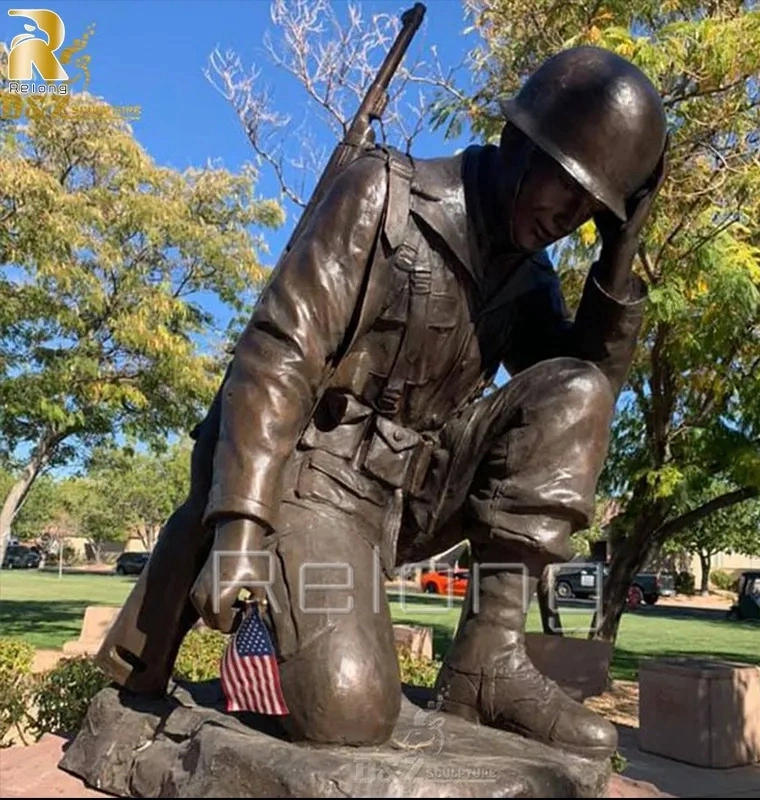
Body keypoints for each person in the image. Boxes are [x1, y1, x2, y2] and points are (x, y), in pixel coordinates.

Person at [95, 45, 668, 761]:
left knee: (574, 388)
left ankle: (484, 665)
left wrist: (619, 258)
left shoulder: (528, 278)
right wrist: (240, 526)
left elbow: (583, 402)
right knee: (352, 711)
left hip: (409, 498)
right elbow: (276, 358)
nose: (572, 217)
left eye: (595, 209)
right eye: (568, 188)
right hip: (312, 483)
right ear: (519, 143)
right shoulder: (385, 196)